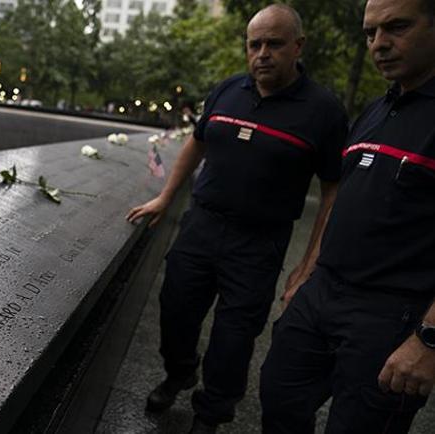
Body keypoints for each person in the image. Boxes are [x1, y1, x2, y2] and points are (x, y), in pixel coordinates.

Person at [126, 4, 348, 433]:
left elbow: (333, 189)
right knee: (174, 310)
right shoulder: (227, 90)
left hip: (259, 243)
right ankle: (180, 370)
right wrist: (165, 198)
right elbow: (196, 144)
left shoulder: (324, 111)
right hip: (201, 225)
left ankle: (210, 413)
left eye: (274, 44)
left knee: (234, 338)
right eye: (254, 44)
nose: (262, 53)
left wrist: (310, 261)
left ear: (297, 46)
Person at [259, 0, 435, 432]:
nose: (379, 44)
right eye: (370, 33)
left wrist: (429, 340)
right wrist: (307, 271)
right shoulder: (376, 110)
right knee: (278, 399)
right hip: (322, 295)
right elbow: (344, 198)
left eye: (396, 27)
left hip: (392, 317)